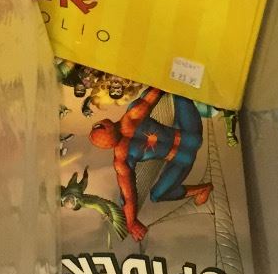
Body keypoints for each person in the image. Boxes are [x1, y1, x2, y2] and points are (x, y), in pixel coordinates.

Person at [88, 87, 211, 242]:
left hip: (183, 156)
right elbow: (158, 88)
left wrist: (131, 223)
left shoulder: (122, 158)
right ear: (107, 124)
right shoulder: (132, 117)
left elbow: (128, 196)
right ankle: (203, 188)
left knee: (157, 196)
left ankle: (202, 189)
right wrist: (131, 222)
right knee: (178, 91)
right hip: (190, 138)